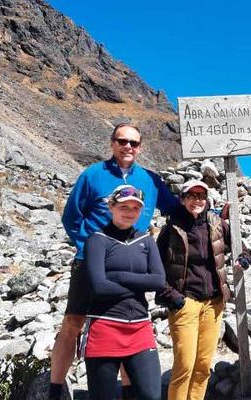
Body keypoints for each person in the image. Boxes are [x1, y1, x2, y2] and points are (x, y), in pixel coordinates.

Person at [51, 123, 179, 400]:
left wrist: (215, 210)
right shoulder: (93, 175)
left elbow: (175, 208)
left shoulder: (149, 179)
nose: (128, 147)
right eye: (122, 141)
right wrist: (91, 247)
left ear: (140, 147)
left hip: (132, 262)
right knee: (74, 321)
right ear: (112, 143)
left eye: (134, 142)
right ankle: (55, 388)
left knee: (127, 319)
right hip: (91, 262)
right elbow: (71, 217)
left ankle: (128, 388)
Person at [155, 179, 251, 400]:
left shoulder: (216, 223)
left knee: (203, 365)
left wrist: (244, 258)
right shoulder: (171, 229)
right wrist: (174, 298)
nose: (196, 200)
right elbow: (155, 269)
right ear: (182, 199)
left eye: (201, 196)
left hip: (214, 303)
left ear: (206, 199)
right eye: (191, 196)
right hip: (185, 303)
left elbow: (241, 247)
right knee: (185, 366)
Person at [81, 185, 166, 400]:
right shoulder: (97, 240)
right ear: (111, 206)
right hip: (104, 326)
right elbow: (98, 287)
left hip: (140, 326)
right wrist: (139, 285)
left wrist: (118, 276)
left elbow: (158, 280)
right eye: (124, 206)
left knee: (151, 395)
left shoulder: (145, 240)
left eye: (135, 208)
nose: (129, 212)